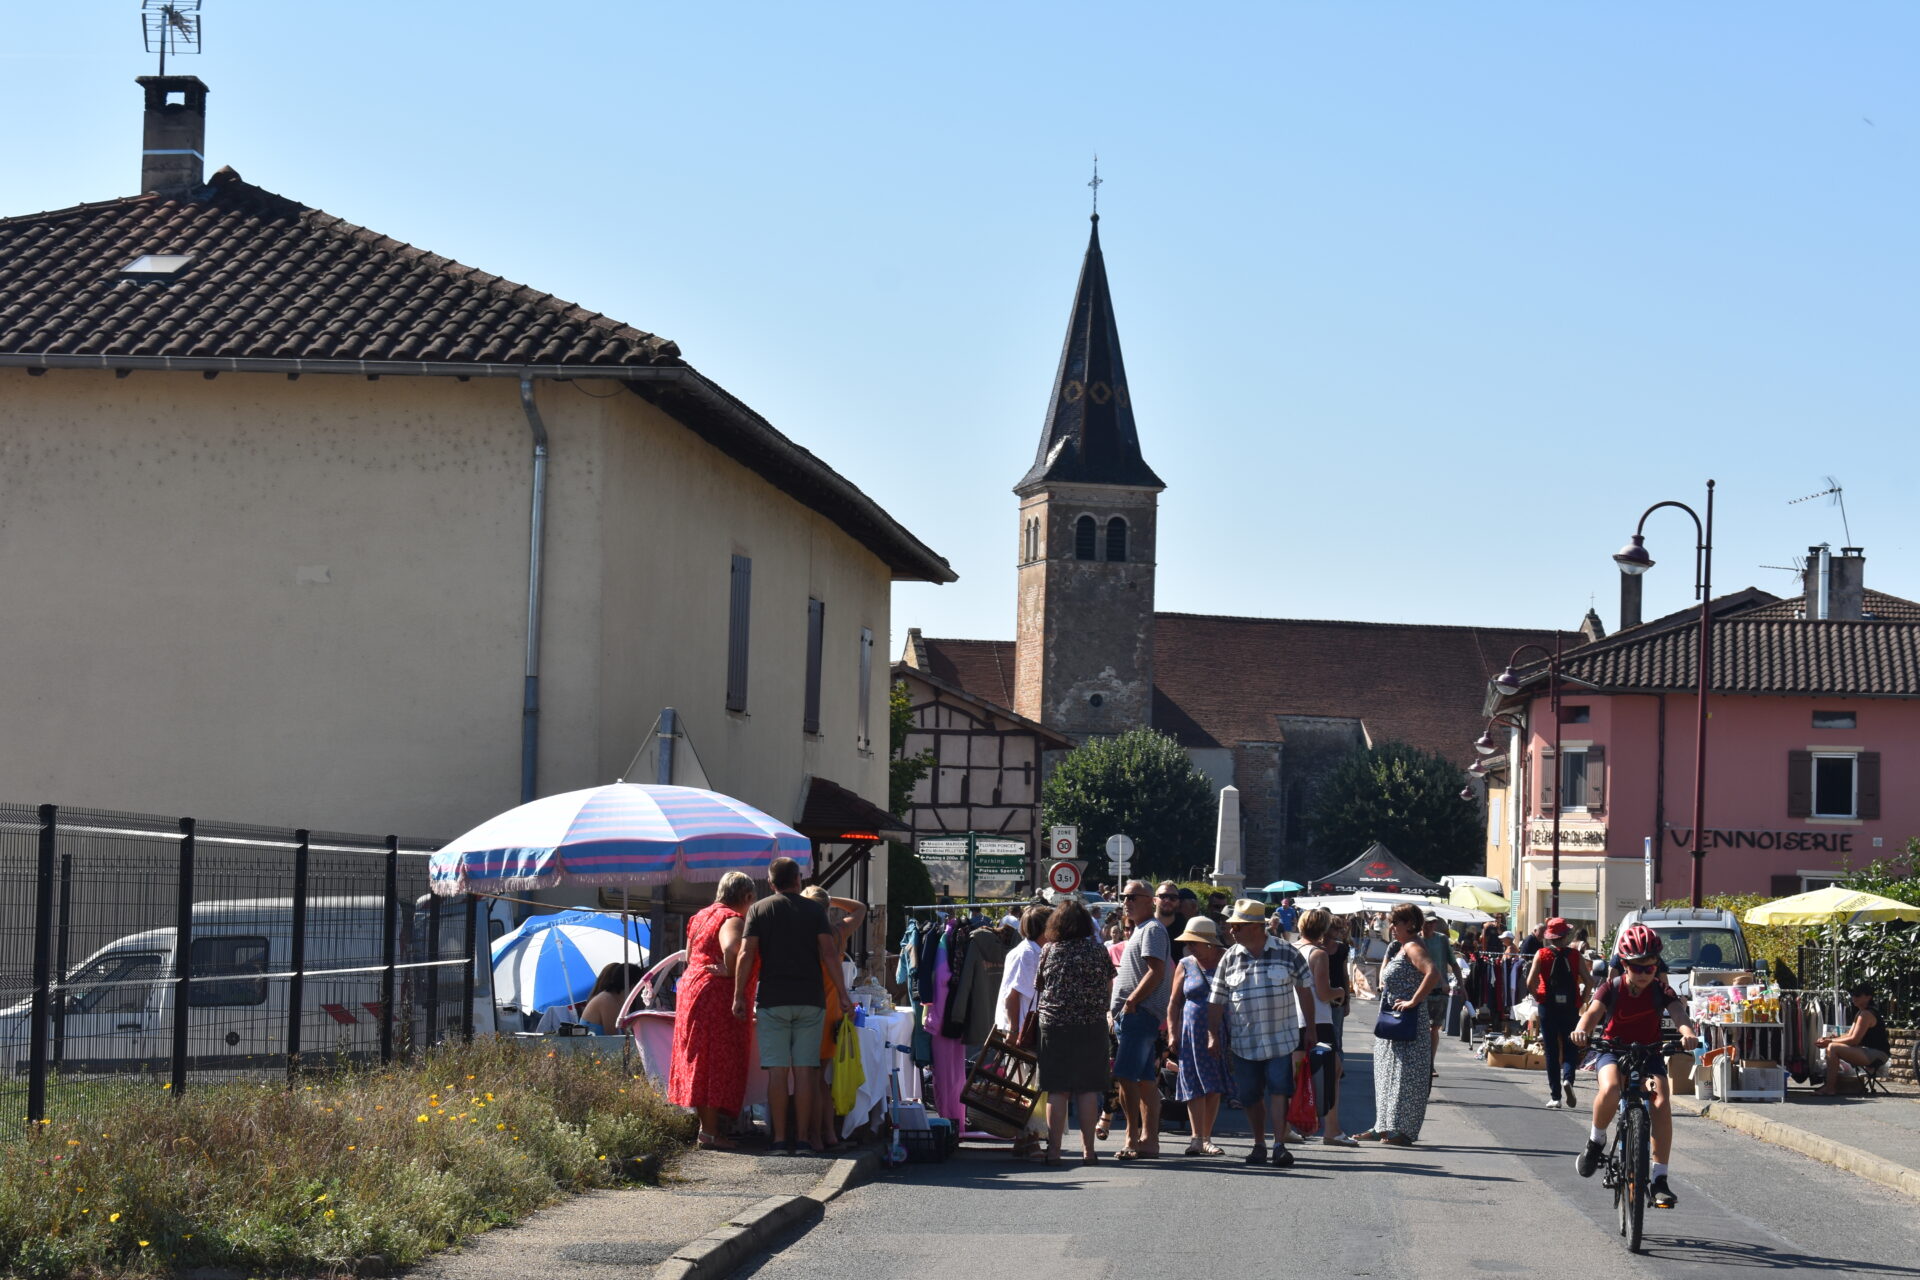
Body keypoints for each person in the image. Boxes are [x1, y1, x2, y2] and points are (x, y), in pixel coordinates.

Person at [733, 857, 856, 1155]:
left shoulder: (759, 910)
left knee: (777, 1072)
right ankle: (802, 1140)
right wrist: (842, 994)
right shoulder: (814, 910)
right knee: (805, 1072)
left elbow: (746, 953)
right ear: (798, 881)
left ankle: (777, 1140)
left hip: (772, 1000)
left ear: (772, 882)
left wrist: (739, 995)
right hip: (810, 1000)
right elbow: (828, 953)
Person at [1572, 924, 1698, 1210]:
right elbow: (1592, 1013)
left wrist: (1687, 1033)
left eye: (1650, 968)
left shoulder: (1661, 990)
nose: (1643, 974)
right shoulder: (1610, 987)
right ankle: (1596, 1141)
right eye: (1637, 968)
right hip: (1612, 1049)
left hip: (1649, 1052)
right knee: (1612, 1087)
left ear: (1657, 967)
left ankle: (1660, 1179)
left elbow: (1678, 1012)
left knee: (1662, 1100)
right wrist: (1581, 1030)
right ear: (1625, 965)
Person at [1207, 898, 1313, 1168]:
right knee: (1250, 1096)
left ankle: (1279, 1145)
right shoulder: (1229, 958)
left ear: (1256, 927)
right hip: (1244, 1042)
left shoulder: (1287, 951)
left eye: (1237, 927)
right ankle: (1259, 1144)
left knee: (1279, 1090)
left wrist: (1310, 1029)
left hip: (1280, 1038)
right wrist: (1213, 1035)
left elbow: (1305, 989)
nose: (1232, 931)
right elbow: (1216, 1000)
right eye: (1231, 926)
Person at [669, 872, 757, 1148]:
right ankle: (709, 1133)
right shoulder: (731, 918)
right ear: (747, 897)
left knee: (698, 1057)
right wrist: (731, 971)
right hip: (713, 994)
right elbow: (732, 947)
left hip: (691, 988)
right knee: (714, 1060)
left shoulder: (700, 916)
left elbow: (689, 955)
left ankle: (708, 1128)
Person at [1031, 897, 1115, 1165]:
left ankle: (1054, 1151)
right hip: (1091, 1024)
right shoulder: (1099, 951)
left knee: (1057, 1089)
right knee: (1088, 1089)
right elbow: (1109, 987)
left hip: (1054, 1025)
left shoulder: (1049, 951)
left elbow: (1039, 987)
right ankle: (1089, 1151)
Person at [1358, 902, 1441, 1146]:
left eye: (1397, 922)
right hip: (1393, 1021)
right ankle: (1382, 1127)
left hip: (1407, 1020)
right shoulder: (1400, 946)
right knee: (1386, 1074)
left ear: (1411, 924)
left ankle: (1402, 1130)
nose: (1392, 926)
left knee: (1406, 1077)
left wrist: (1413, 1001)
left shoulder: (1414, 946)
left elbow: (1433, 972)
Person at [799, 886, 868, 1153]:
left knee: (814, 1078)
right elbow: (860, 908)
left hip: (816, 1008)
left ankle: (816, 1135)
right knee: (821, 1079)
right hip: (833, 1009)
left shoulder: (806, 936)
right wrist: (830, 898)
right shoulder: (837, 932)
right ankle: (829, 1133)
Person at [1110, 879, 1173, 1159]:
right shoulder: (1143, 929)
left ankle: (1131, 1138)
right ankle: (1148, 1139)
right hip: (1138, 1014)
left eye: (1133, 896)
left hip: (1140, 1014)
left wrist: (1132, 1001)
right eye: (1124, 896)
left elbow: (1156, 971)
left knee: (1125, 1076)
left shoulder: (1152, 929)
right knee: (1146, 1079)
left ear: (1151, 900)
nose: (1126, 901)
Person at [1166, 915, 1231, 1156]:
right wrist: (1172, 1032)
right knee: (1193, 1083)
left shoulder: (1226, 959)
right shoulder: (1185, 963)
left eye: (1194, 942)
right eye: (1189, 942)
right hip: (1190, 1031)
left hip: (1218, 1029)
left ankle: (1206, 1138)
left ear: (1209, 943)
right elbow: (1174, 1002)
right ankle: (1196, 1138)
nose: (1190, 946)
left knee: (1213, 1085)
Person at [1295, 908, 1358, 1147]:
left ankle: (1294, 1124)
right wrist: (1340, 992)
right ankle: (1331, 1129)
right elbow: (1323, 993)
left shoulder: (1291, 950)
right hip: (1319, 1020)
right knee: (1331, 1073)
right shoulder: (1318, 954)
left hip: (1293, 1018)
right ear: (1322, 929)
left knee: (1297, 1074)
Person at [1526, 917, 1591, 1110]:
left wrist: (1539, 997)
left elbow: (1530, 982)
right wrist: (1582, 1001)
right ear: (1565, 936)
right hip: (1570, 1005)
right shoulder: (1575, 955)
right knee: (1571, 1047)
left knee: (1552, 1052)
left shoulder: (1542, 953)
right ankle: (1568, 1079)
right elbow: (1589, 981)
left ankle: (1555, 1096)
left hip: (1548, 1006)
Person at [1815, 984, 1892, 1095]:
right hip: (1867, 1050)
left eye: (1857, 995)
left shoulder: (1866, 1014)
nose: (1854, 998)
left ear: (1868, 997)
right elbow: (1849, 1035)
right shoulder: (1861, 1012)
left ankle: (1830, 1088)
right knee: (1832, 1046)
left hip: (1877, 1053)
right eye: (1853, 995)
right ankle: (1830, 1085)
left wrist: (1830, 1042)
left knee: (1833, 1048)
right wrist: (1831, 1039)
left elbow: (1854, 1040)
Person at [996, 905, 1051, 1037]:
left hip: (1029, 1031)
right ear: (1044, 928)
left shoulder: (1037, 951)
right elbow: (1011, 996)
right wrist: (1013, 1031)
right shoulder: (1025, 954)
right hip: (1022, 1032)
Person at [1420, 913, 1455, 1071]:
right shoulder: (1415, 941)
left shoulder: (1441, 939)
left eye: (1433, 923)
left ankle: (1430, 1062)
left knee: (1434, 1028)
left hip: (1440, 989)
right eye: (1427, 923)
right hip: (1420, 989)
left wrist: (1461, 985)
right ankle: (1421, 1060)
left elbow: (1453, 963)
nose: (1429, 926)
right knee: (1421, 1027)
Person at [580, 961, 647, 1035]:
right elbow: (614, 1037)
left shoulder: (617, 1000)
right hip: (594, 1045)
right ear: (633, 985)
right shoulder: (606, 999)